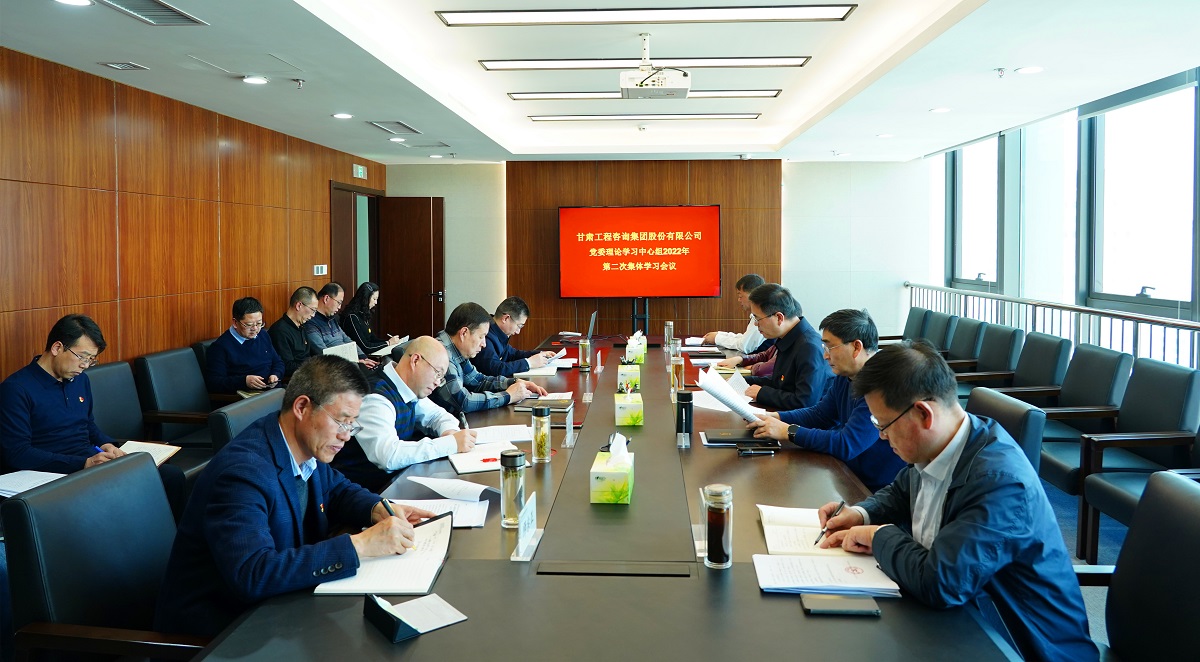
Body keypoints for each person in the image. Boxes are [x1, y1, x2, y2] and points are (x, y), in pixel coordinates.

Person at [816, 341, 1098, 661]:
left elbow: (941, 583)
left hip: (1019, 645)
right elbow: (901, 491)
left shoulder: (1000, 482)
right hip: (959, 620)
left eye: (884, 425)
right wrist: (860, 513)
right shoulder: (945, 442)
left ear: (924, 414)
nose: (881, 436)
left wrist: (877, 535)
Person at [155, 356, 436, 638]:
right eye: (341, 422)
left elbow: (336, 489)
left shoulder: (303, 445)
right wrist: (360, 545)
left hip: (279, 607)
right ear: (302, 407)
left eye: (352, 424)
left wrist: (378, 508)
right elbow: (253, 573)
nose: (347, 436)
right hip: (221, 631)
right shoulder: (242, 473)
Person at [0, 313, 185, 502]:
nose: (85, 365)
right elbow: (17, 452)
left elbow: (88, 425)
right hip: (52, 472)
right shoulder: (16, 389)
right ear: (57, 348)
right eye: (82, 357)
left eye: (91, 359)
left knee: (171, 477)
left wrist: (107, 445)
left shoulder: (80, 380)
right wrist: (83, 463)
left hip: (89, 463)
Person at [748, 309, 905, 492]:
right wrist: (775, 417)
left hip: (873, 488)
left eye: (830, 348)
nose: (825, 355)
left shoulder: (879, 386)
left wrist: (788, 431)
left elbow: (846, 444)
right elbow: (820, 415)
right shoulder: (846, 375)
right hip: (848, 472)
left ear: (856, 347)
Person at [332, 336, 477, 492]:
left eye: (441, 378)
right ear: (415, 360)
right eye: (437, 373)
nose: (437, 382)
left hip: (395, 483)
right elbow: (388, 457)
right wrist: (449, 444)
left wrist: (450, 432)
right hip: (365, 493)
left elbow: (437, 416)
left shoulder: (408, 388)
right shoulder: (376, 398)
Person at [429, 302, 546, 416]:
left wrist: (513, 382)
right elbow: (464, 401)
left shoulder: (457, 350)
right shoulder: (442, 355)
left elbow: (478, 380)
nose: (484, 344)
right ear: (464, 333)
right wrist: (508, 396)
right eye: (481, 336)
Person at [742, 284, 832, 410]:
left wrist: (762, 393)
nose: (756, 324)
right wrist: (744, 381)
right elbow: (780, 382)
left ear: (779, 317)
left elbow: (804, 402)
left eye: (757, 318)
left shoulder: (808, 347)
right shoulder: (788, 337)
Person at [205, 297, 285, 394]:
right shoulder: (220, 347)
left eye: (259, 323)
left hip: (273, 391)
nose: (255, 329)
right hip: (247, 396)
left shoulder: (263, 335)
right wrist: (244, 381)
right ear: (235, 323)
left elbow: (278, 362)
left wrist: (275, 374)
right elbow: (214, 383)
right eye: (249, 325)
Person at [471, 296, 557, 377]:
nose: (518, 332)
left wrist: (539, 354)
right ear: (505, 318)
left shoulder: (498, 332)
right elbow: (495, 369)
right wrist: (529, 363)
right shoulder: (485, 335)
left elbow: (512, 354)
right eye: (519, 326)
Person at [303, 282, 379, 370]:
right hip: (335, 368)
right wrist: (356, 361)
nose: (339, 307)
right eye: (339, 303)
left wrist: (363, 357)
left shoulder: (332, 318)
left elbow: (347, 340)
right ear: (326, 298)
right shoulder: (311, 323)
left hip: (351, 362)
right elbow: (323, 353)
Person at [702, 273, 768, 353]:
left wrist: (717, 338)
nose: (739, 300)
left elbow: (745, 346)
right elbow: (745, 338)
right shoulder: (758, 314)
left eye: (740, 296)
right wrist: (719, 335)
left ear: (753, 295)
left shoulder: (763, 315)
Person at [269, 286, 321, 379]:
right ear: (299, 305)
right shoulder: (279, 331)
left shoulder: (301, 325)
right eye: (313, 310)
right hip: (296, 378)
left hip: (310, 373)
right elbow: (287, 366)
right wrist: (313, 367)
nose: (313, 315)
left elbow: (313, 351)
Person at [340, 281, 401, 356]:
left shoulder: (363, 315)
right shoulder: (352, 318)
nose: (376, 302)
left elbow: (373, 339)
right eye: (374, 299)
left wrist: (390, 342)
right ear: (365, 299)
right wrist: (388, 343)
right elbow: (365, 347)